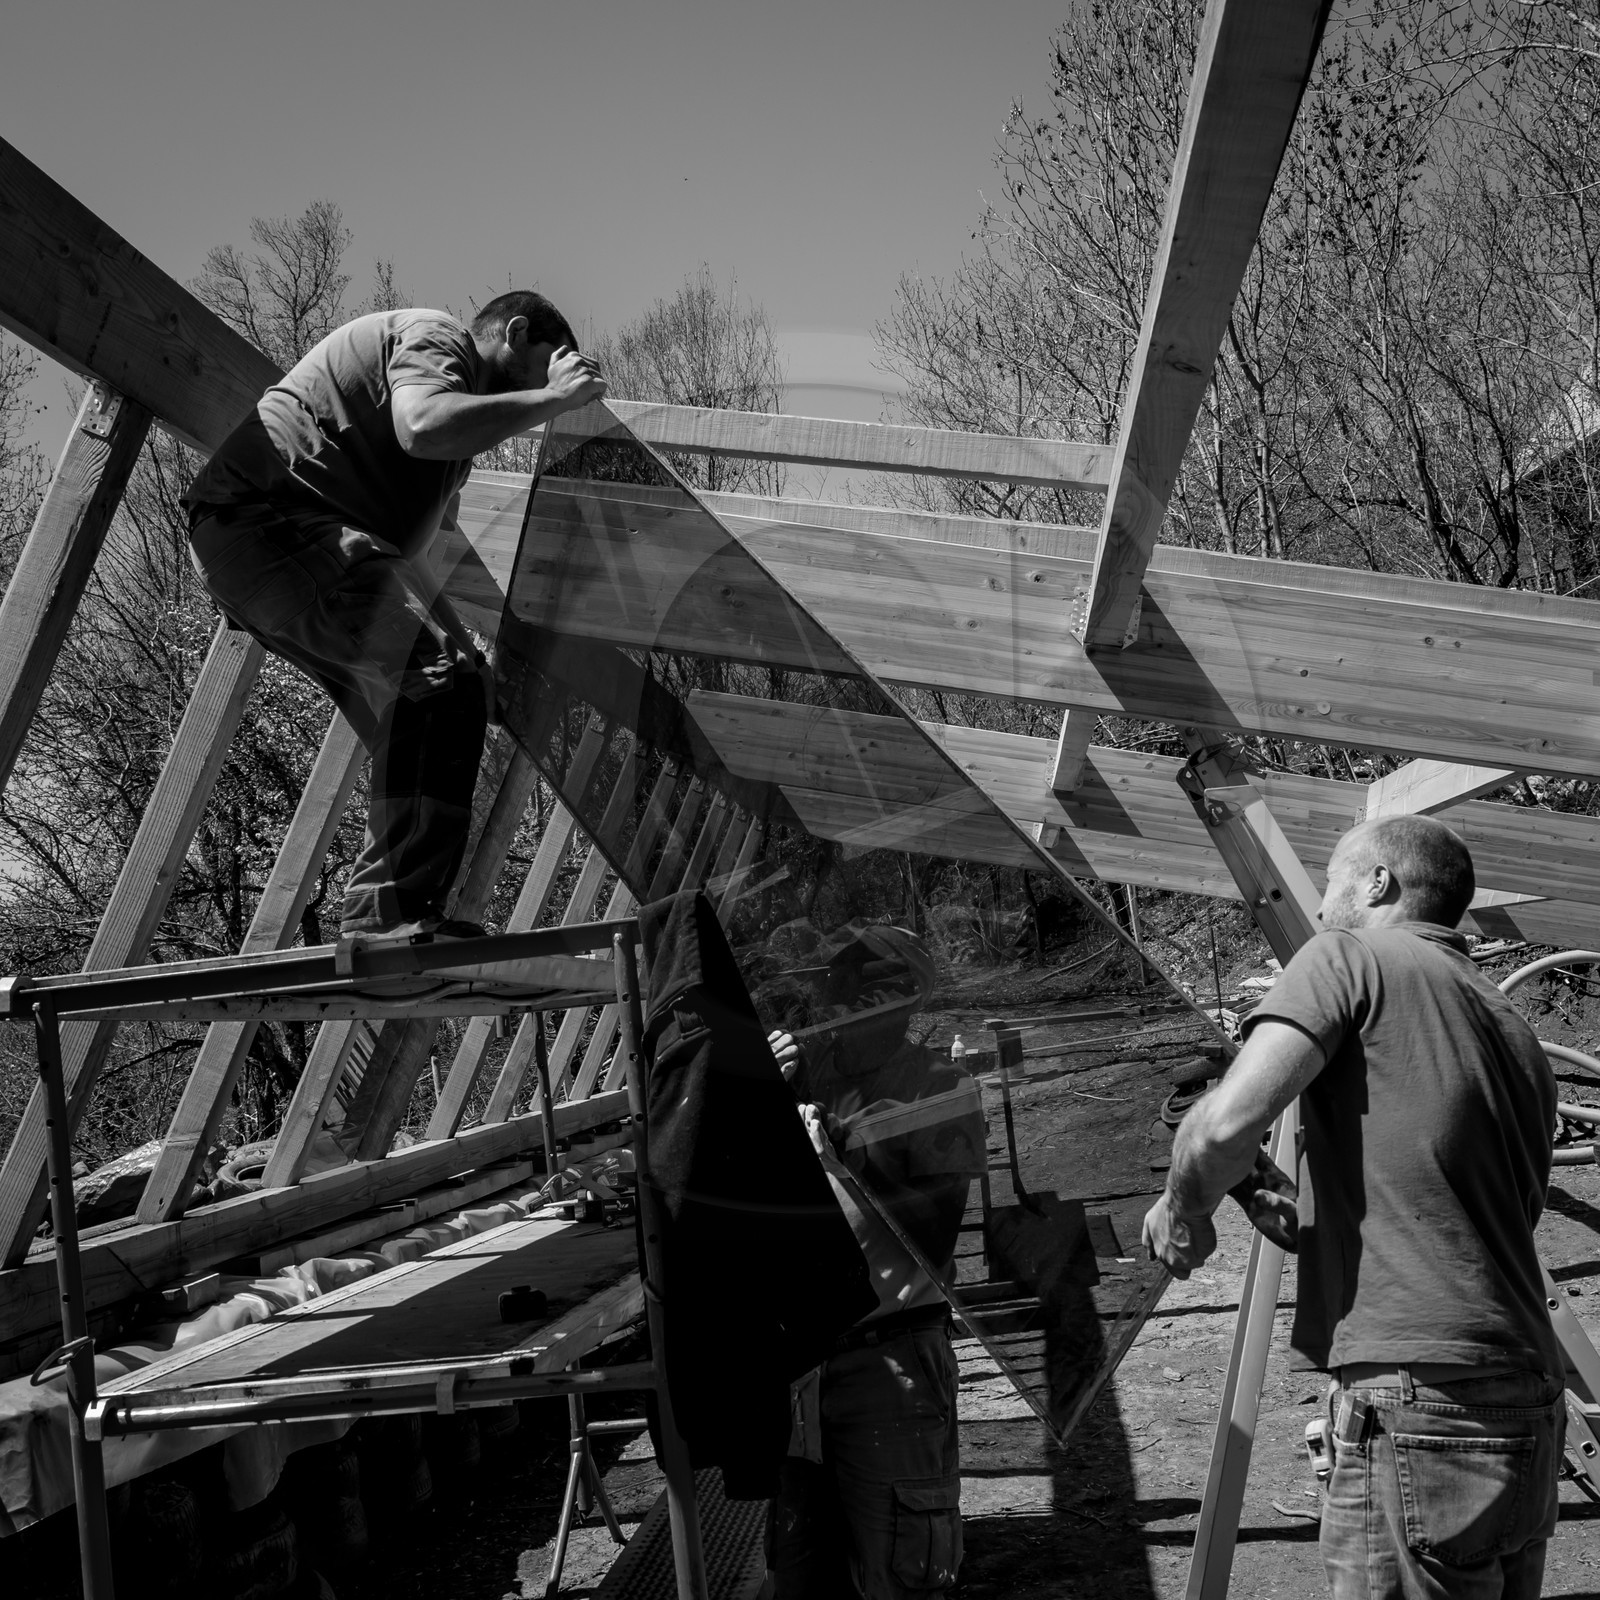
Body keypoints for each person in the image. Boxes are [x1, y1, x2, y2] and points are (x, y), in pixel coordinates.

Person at [1143, 816, 1564, 1599]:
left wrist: (1181, 1203)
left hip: (1419, 1402)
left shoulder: (1348, 955)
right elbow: (1453, 1219)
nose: (1326, 897)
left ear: (1379, 883)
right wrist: (1278, 1202)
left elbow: (1225, 1124)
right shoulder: (1510, 1027)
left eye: (1334, 877)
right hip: (1527, 1402)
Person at [183, 293, 605, 941]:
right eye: (552, 363)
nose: (559, 379)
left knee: (443, 693)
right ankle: (386, 914)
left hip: (294, 552)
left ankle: (394, 914)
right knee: (436, 683)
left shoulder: (450, 464)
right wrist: (554, 401)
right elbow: (422, 424)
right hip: (272, 522)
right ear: (516, 334)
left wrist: (468, 655)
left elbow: (412, 568)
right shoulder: (439, 338)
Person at [761, 924, 984, 1600]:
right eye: (842, 992)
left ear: (908, 1000)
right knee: (801, 1573)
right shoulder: (810, 1073)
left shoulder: (937, 1082)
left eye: (874, 992)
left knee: (903, 1572)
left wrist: (844, 1142)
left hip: (890, 1361)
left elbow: (937, 1232)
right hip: (799, 1362)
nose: (846, 1008)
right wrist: (760, 1097)